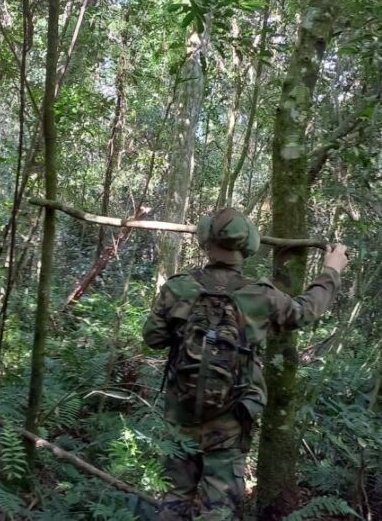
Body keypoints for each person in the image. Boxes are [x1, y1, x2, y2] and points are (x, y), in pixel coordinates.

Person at [143, 208, 348, 521]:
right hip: (230, 420)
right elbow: (304, 312)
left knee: (174, 498)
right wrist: (331, 270)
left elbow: (153, 338)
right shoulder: (260, 295)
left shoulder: (178, 287)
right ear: (247, 246)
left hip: (181, 414)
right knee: (220, 509)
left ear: (205, 241)